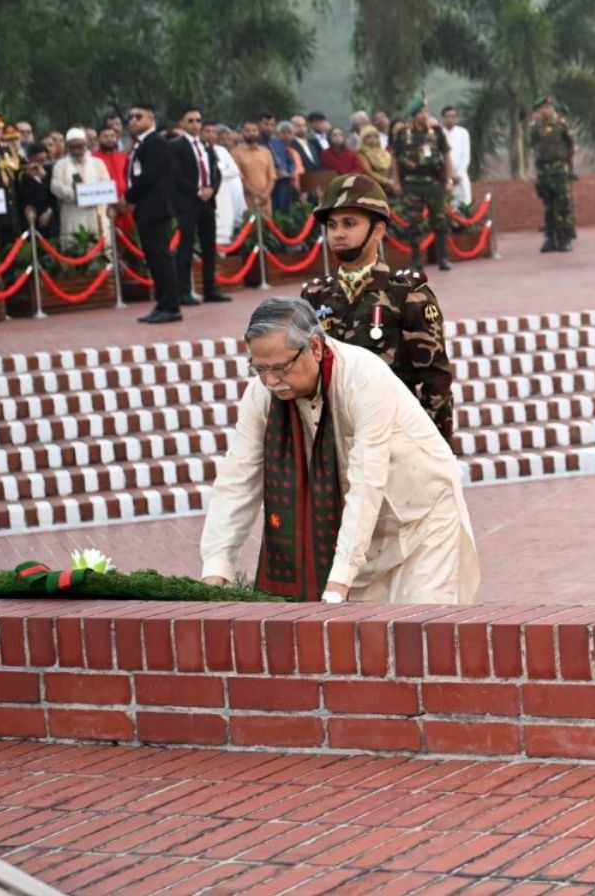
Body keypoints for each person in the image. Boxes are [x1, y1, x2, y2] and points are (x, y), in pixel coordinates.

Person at [199, 297, 480, 603]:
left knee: (421, 634)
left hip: (422, 523)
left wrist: (340, 579)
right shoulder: (262, 394)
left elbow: (367, 479)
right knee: (364, 644)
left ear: (316, 348)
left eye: (280, 368)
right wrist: (216, 569)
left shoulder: (363, 377)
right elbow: (237, 478)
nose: (271, 381)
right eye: (259, 368)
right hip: (355, 533)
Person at [301, 174, 456, 445]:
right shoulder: (314, 296)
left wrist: (434, 448)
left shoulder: (407, 294)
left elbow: (435, 379)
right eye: (332, 225)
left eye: (350, 223)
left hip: (393, 438)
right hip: (334, 439)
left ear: (378, 230)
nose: (338, 233)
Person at [126, 102, 183, 323]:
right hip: (147, 208)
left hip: (155, 208)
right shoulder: (143, 144)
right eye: (130, 117)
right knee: (154, 258)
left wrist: (128, 196)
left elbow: (149, 176)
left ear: (151, 118)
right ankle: (162, 303)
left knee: (160, 258)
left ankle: (170, 306)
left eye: (138, 116)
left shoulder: (155, 143)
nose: (133, 121)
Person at [169, 107, 230, 307]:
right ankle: (183, 291)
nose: (196, 124)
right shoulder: (177, 146)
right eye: (191, 120)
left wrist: (212, 188)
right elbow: (176, 175)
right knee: (185, 246)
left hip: (207, 202)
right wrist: (197, 191)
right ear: (183, 124)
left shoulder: (206, 146)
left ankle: (210, 288)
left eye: (198, 120)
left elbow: (216, 172)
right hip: (188, 202)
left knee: (209, 246)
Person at [390, 98, 454, 270]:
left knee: (439, 222)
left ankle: (443, 259)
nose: (424, 115)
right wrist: (395, 180)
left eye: (426, 112)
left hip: (433, 183)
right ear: (413, 115)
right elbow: (395, 158)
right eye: (420, 112)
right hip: (412, 184)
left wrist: (449, 179)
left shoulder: (436, 132)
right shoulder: (403, 134)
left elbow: (446, 154)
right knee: (414, 224)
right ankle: (416, 260)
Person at [528, 96, 577, 254]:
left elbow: (570, 147)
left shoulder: (562, 125)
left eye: (548, 107)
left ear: (552, 108)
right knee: (548, 206)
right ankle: (550, 238)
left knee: (562, 204)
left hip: (559, 168)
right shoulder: (536, 128)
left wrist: (566, 164)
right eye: (542, 108)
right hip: (544, 170)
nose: (545, 111)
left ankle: (565, 238)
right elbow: (534, 146)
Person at [50, 128, 112, 237]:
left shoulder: (98, 163)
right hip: (72, 213)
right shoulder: (60, 165)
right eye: (72, 147)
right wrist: (76, 194)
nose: (76, 151)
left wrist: (88, 194)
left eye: (80, 146)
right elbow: (55, 186)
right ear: (68, 147)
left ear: (86, 144)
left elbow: (106, 185)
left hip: (96, 213)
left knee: (101, 246)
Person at [230, 121, 275, 217]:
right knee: (249, 228)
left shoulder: (265, 152)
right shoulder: (235, 153)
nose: (251, 133)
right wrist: (256, 194)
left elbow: (272, 176)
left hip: (266, 199)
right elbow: (239, 178)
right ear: (242, 132)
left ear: (258, 132)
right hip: (247, 199)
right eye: (248, 131)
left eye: (254, 130)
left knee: (268, 228)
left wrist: (266, 194)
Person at [269, 120, 304, 214]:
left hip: (296, 186)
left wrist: (293, 172)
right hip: (280, 185)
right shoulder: (273, 147)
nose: (286, 136)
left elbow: (297, 167)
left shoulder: (295, 152)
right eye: (283, 133)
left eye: (289, 133)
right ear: (277, 134)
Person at [442, 106, 472, 206]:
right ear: (443, 118)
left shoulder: (463, 133)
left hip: (460, 175)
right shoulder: (439, 133)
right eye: (448, 116)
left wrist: (459, 173)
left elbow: (465, 155)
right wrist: (449, 174)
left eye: (453, 116)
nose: (450, 119)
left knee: (464, 203)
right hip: (444, 175)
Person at [358, 126, 394, 193]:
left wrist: (392, 181)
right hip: (372, 187)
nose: (373, 139)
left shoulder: (385, 153)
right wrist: (386, 181)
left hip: (390, 184)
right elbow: (369, 171)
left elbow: (392, 168)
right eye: (368, 137)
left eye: (375, 136)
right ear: (362, 139)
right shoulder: (361, 153)